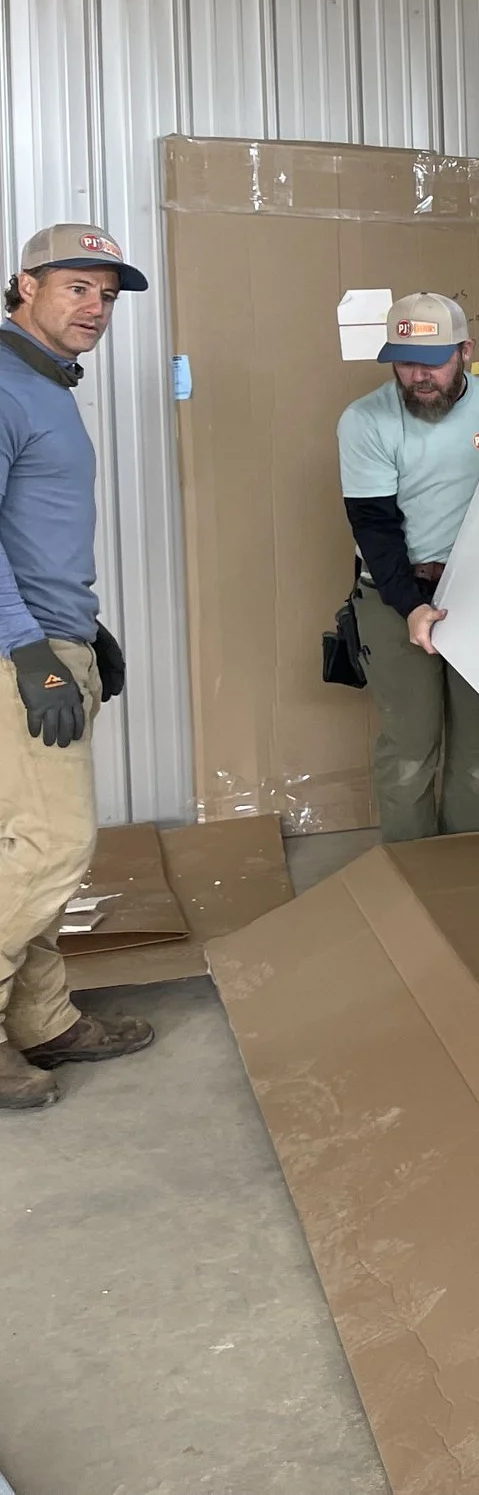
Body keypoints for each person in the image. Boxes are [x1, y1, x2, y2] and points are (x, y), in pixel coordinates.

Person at [1, 226, 159, 1110]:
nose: (96, 307)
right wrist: (29, 649)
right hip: (19, 652)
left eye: (107, 293)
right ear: (24, 285)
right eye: (76, 288)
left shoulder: (43, 383)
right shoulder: (5, 384)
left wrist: (83, 630)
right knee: (57, 845)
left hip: (54, 635)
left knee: (24, 844)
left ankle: (44, 1019)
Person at [338, 293, 479, 843]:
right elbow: (374, 527)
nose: (418, 376)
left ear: (465, 351)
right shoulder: (366, 420)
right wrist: (413, 606)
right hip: (394, 591)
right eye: (404, 361)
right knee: (409, 753)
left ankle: (463, 873)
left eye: (434, 361)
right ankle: (414, 876)